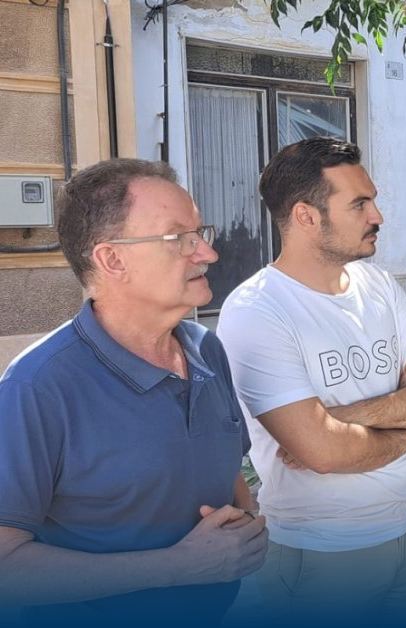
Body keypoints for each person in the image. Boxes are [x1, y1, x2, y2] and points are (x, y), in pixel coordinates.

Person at [0, 159, 268, 624]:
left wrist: (245, 522)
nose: (207, 253)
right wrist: (177, 566)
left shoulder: (206, 349)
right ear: (112, 260)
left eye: (200, 232)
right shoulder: (37, 387)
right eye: (179, 238)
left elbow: (229, 473)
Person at [217, 137, 406, 625]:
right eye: (359, 204)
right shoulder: (257, 310)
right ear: (306, 216)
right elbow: (324, 454)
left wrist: (344, 417)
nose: (378, 216)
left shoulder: (379, 286)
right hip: (324, 554)